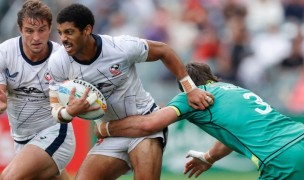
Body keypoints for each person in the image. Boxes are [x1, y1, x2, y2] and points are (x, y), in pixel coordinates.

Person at [47, 3, 213, 180]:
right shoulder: (58, 62)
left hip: (145, 124)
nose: (63, 39)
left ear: (87, 30)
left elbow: (164, 51)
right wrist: (68, 112)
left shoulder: (120, 47)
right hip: (112, 133)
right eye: (61, 32)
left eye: (69, 32)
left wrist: (190, 89)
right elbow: (55, 108)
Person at [97, 62, 304, 179]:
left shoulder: (194, 95)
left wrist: (105, 128)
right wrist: (209, 157)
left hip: (281, 158)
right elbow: (230, 135)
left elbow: (150, 124)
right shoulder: (233, 89)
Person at [0, 0, 75, 179]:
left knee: (9, 178)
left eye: (41, 30)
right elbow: (1, 99)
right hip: (22, 141)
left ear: (50, 29)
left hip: (55, 133)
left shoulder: (62, 59)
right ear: (20, 29)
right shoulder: (5, 52)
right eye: (29, 31)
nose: (36, 37)